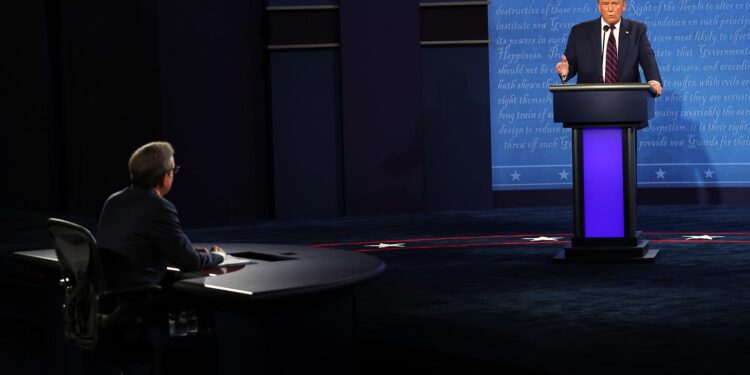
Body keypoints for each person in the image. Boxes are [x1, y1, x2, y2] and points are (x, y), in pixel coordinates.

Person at [97, 141, 225, 288]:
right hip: (140, 295)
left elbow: (133, 247)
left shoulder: (113, 200)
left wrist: (182, 251)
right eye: (173, 170)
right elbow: (190, 262)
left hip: (108, 293)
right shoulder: (159, 208)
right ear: (164, 178)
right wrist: (218, 256)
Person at [555, 0, 663, 96]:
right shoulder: (579, 32)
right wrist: (566, 71)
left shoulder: (637, 30)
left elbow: (647, 58)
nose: (610, 9)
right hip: (589, 102)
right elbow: (570, 64)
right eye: (605, 4)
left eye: (615, 3)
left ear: (624, 6)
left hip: (628, 101)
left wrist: (654, 80)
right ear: (599, 6)